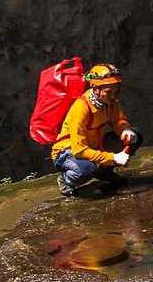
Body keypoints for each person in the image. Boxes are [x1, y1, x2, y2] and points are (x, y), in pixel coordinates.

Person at [51, 63, 142, 197]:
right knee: (87, 169)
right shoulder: (81, 108)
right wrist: (113, 158)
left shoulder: (110, 101)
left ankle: (104, 172)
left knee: (136, 136)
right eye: (109, 92)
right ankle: (66, 180)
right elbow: (79, 150)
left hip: (93, 144)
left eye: (116, 91)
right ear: (95, 89)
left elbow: (118, 120)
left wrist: (125, 130)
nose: (113, 96)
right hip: (68, 152)